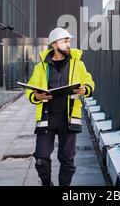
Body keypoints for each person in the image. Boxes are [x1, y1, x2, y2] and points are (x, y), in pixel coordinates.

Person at [25, 27, 95, 186]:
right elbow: (30, 88)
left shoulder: (78, 64)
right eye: (65, 41)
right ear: (55, 44)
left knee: (67, 160)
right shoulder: (41, 67)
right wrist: (36, 95)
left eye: (69, 41)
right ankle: (47, 183)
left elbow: (89, 82)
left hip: (69, 118)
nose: (69, 44)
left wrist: (85, 89)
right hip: (47, 118)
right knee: (41, 159)